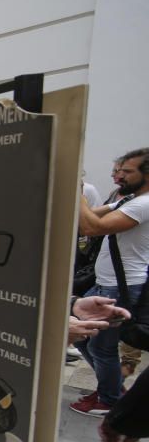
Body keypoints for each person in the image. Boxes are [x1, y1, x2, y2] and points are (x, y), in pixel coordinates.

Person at [71, 147, 149, 415]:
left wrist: (75, 188)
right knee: (81, 336)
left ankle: (109, 398)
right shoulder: (128, 200)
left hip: (121, 286)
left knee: (101, 346)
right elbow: (86, 221)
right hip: (105, 282)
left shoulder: (143, 203)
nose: (119, 177)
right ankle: (112, 386)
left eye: (128, 171)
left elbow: (92, 226)